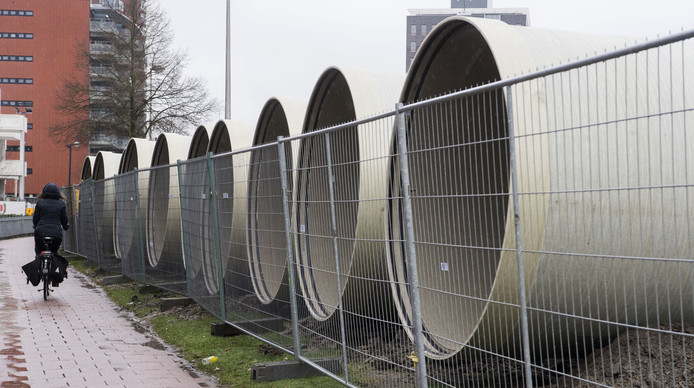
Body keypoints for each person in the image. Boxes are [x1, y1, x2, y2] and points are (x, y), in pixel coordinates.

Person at [23, 183, 70, 286]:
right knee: (54, 252)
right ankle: (55, 279)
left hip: (41, 232)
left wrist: (36, 226)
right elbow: (64, 220)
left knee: (39, 249)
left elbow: (35, 218)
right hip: (56, 233)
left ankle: (38, 261)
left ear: (43, 192)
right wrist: (66, 226)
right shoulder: (61, 204)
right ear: (58, 193)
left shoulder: (40, 203)